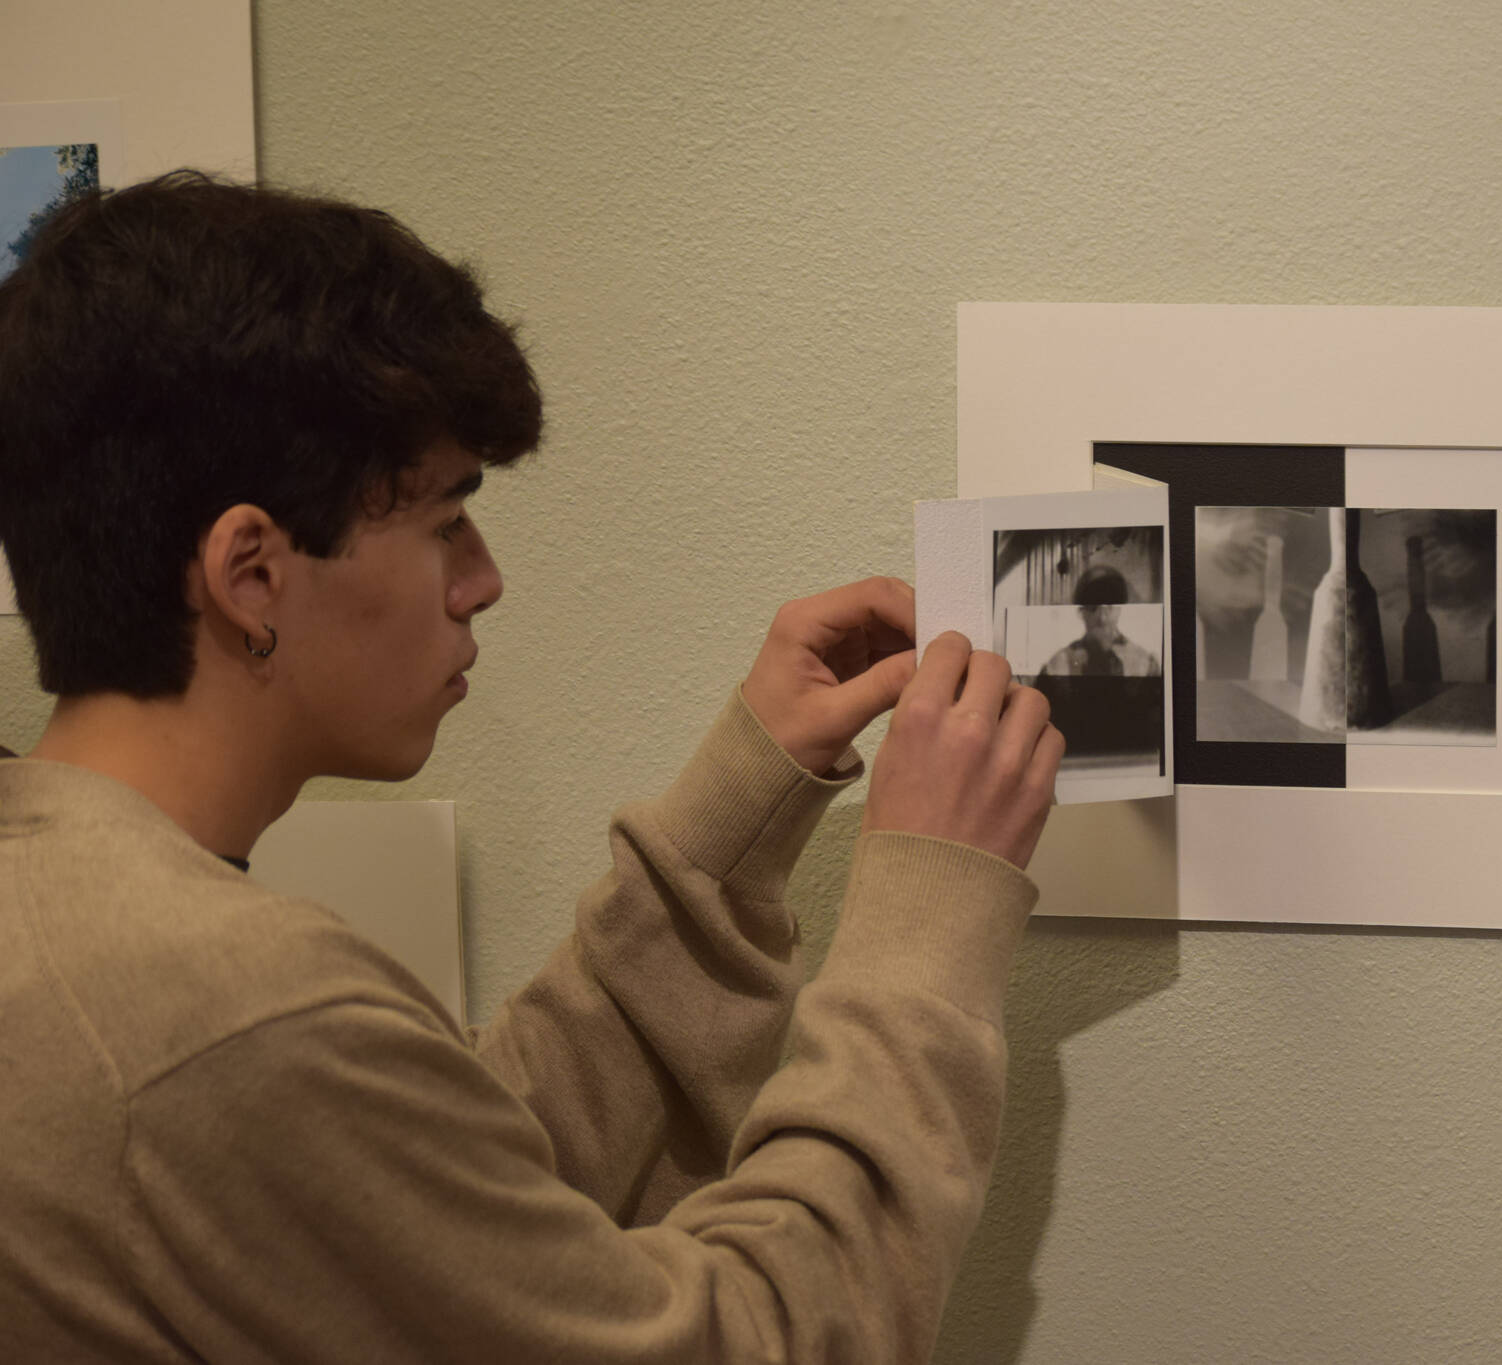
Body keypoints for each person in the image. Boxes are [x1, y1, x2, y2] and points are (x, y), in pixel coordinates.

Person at [0, 172, 1061, 1362]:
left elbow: (453, 1209)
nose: (484, 577)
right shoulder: (219, 1008)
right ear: (252, 573)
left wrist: (734, 812)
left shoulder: (66, 913)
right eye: (446, 521)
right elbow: (755, 1342)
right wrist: (926, 909)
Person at [1032, 564, 1161, 679]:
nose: (1102, 618)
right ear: (1081, 612)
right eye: (1093, 607)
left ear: (1120, 609)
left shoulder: (1145, 665)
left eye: (1110, 605)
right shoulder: (1057, 666)